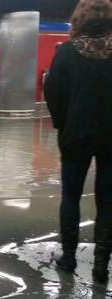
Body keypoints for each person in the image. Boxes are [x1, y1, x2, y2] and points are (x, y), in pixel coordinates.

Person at [44, 0, 112, 284]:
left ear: (79, 19)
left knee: (70, 196)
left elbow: (52, 91)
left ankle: (69, 257)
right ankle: (101, 266)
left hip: (76, 134)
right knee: (108, 200)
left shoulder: (67, 52)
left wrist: (63, 123)